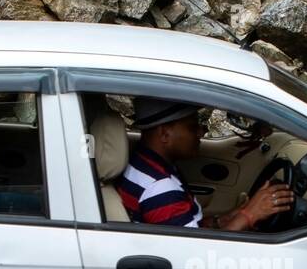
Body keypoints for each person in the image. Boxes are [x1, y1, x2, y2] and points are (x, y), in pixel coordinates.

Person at [117, 97, 295, 231]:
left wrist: (226, 219)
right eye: (192, 127)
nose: (201, 132)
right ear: (164, 134)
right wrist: (248, 215)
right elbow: (199, 258)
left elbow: (186, 228)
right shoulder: (160, 189)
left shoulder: (144, 163)